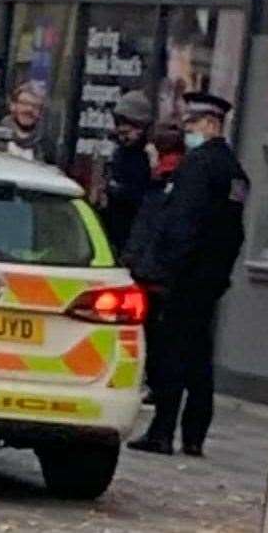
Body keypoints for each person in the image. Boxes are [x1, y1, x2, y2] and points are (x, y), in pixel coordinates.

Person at [128, 92, 248, 457]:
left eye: (192, 125)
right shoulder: (234, 171)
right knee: (199, 359)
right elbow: (233, 234)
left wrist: (164, 271)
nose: (187, 132)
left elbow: (182, 225)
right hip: (209, 280)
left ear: (210, 125)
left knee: (171, 355)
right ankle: (194, 435)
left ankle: (162, 431)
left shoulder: (197, 167)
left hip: (183, 278)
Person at [121, 122, 186, 405]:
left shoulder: (168, 179)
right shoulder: (163, 178)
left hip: (154, 273)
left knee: (154, 335)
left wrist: (136, 262)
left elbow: (153, 228)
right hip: (153, 270)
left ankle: (158, 385)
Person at [100, 90, 153, 253]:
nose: (123, 136)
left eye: (128, 130)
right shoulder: (119, 153)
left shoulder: (147, 155)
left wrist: (116, 190)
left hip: (132, 238)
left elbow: (143, 199)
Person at [1, 81, 54, 163]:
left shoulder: (46, 146)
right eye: (24, 103)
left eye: (35, 106)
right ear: (13, 105)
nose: (29, 109)